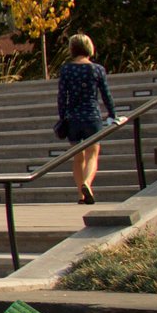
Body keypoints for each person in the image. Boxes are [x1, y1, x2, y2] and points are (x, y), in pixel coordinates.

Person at [54, 32, 119, 207]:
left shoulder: (66, 69)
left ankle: (80, 194)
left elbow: (62, 97)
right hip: (92, 116)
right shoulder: (97, 69)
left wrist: (62, 117)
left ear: (72, 49)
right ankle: (87, 183)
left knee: (77, 157)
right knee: (92, 155)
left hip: (73, 118)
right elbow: (106, 95)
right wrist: (112, 114)